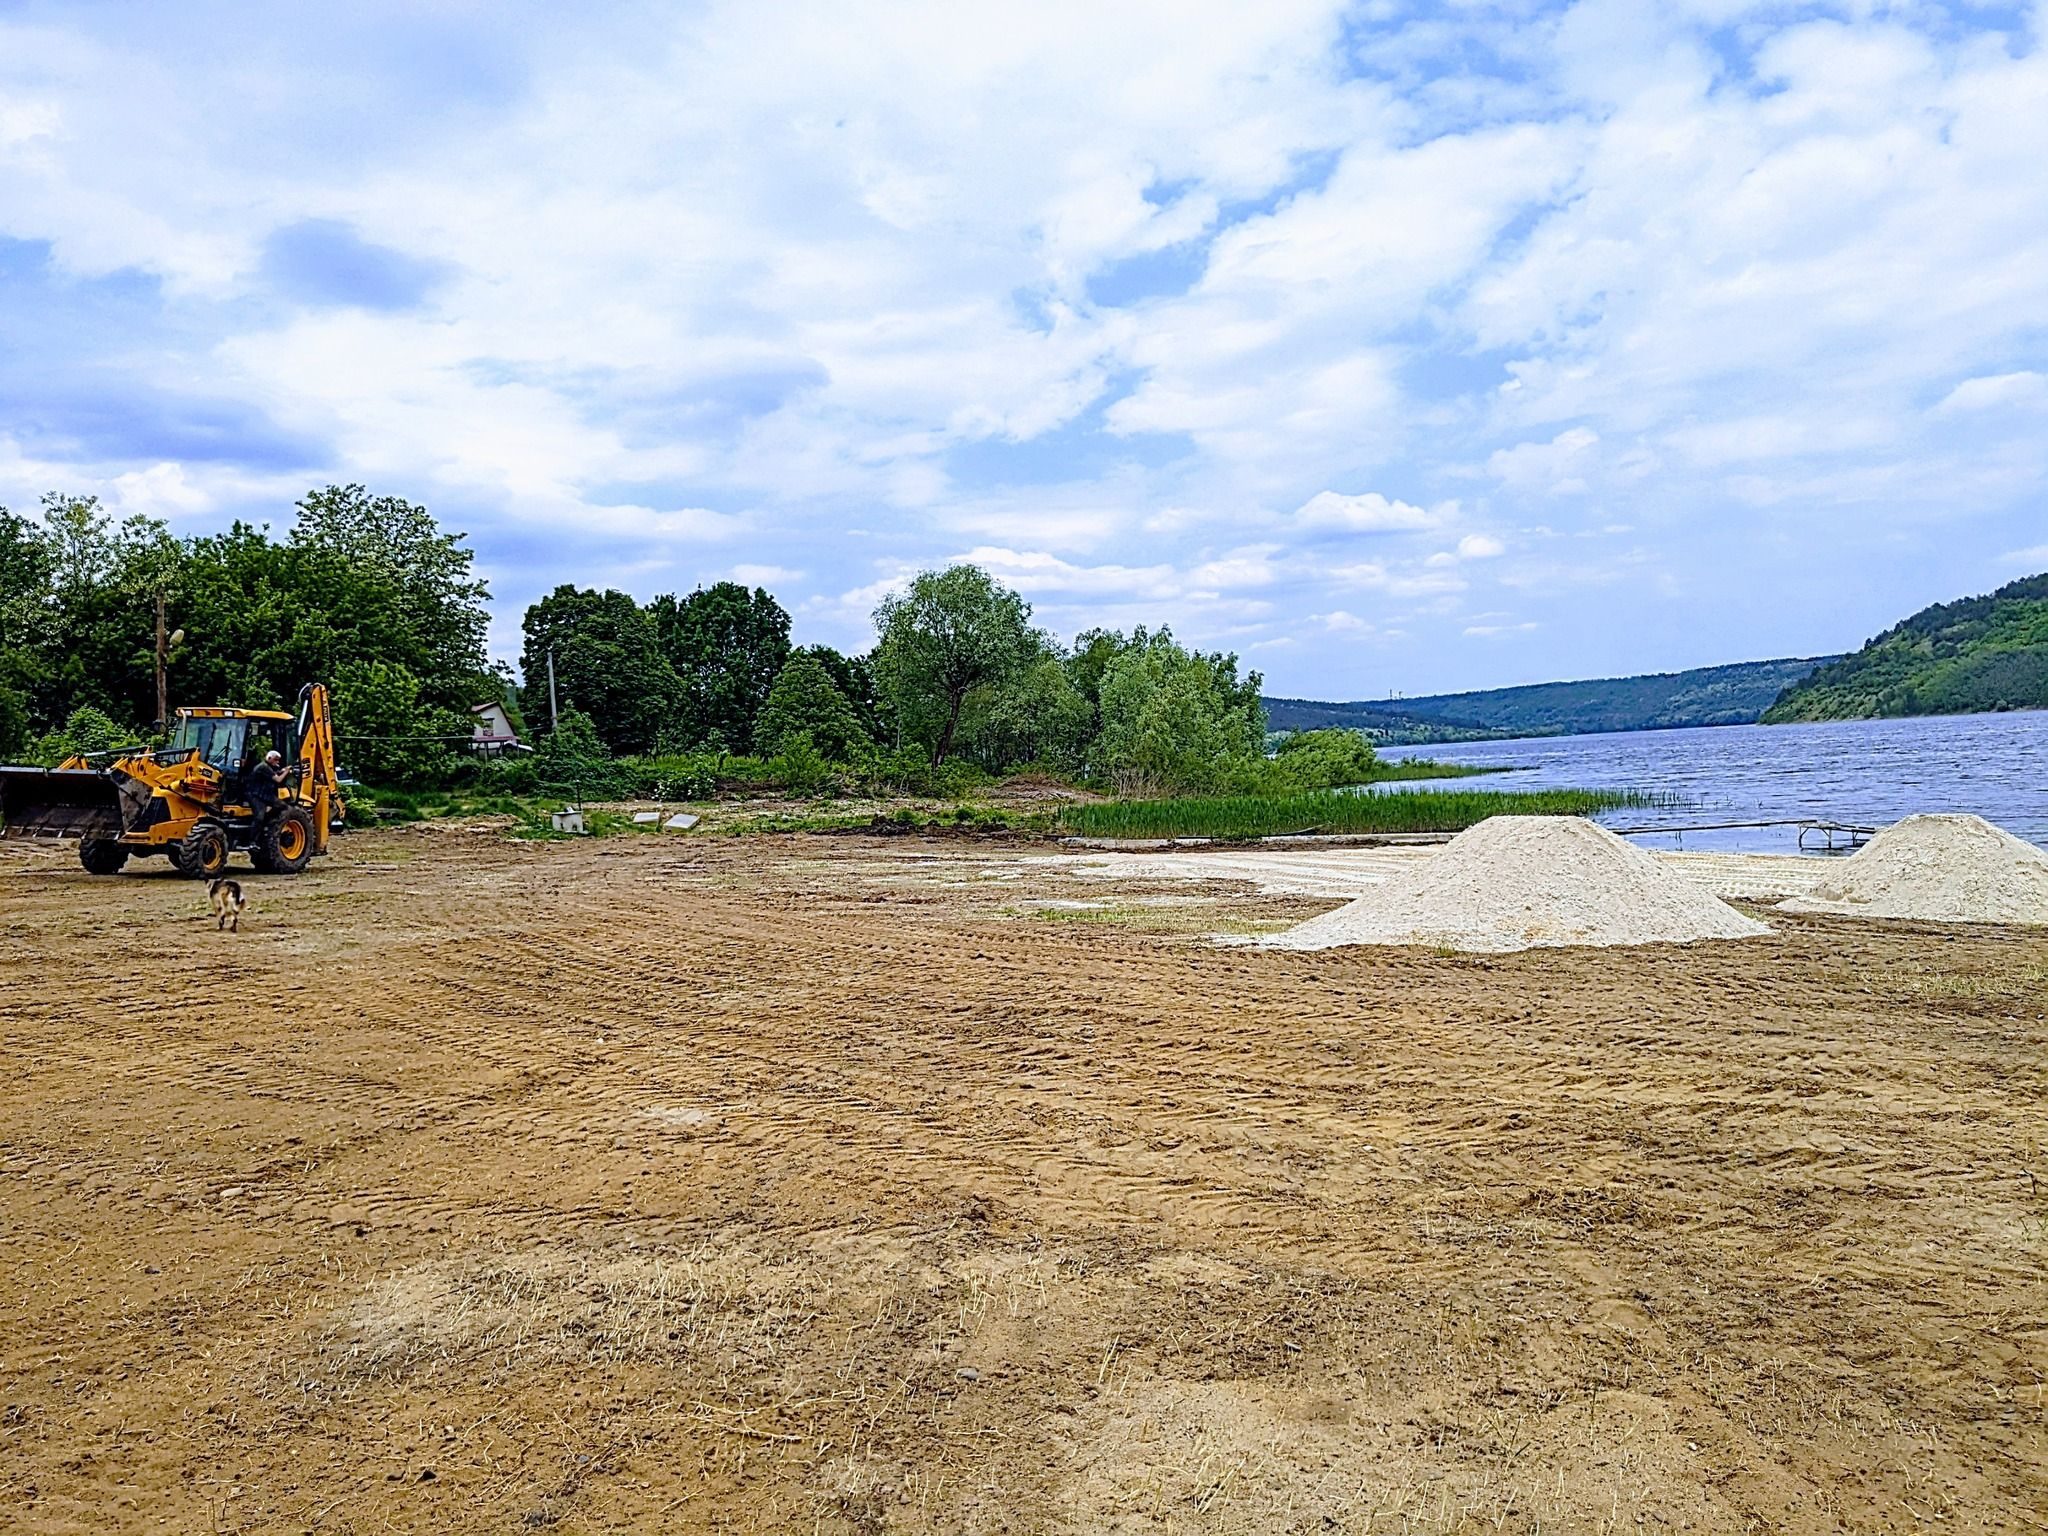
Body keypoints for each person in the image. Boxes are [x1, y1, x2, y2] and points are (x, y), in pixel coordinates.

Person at [247, 749, 284, 834]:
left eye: (278, 760)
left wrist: (281, 771)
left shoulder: (267, 767)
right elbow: (278, 779)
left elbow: (272, 774)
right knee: (259, 817)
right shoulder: (263, 767)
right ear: (269, 758)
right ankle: (252, 841)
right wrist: (286, 771)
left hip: (264, 795)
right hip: (256, 795)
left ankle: (267, 824)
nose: (277, 761)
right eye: (276, 759)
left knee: (282, 806)